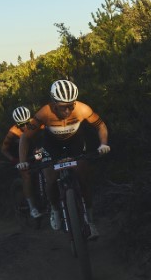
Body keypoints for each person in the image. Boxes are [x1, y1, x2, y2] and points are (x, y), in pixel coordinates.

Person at [17, 79, 110, 239]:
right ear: (53, 103)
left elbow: (100, 125)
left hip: (75, 141)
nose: (67, 110)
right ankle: (55, 209)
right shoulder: (44, 113)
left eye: (71, 105)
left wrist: (103, 144)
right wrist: (22, 160)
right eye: (62, 106)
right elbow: (25, 137)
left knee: (83, 178)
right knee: (50, 179)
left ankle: (90, 220)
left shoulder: (82, 109)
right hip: (51, 144)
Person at [1, 106, 43, 219]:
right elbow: (4, 149)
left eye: (27, 123)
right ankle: (32, 208)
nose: (24, 127)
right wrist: (14, 160)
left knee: (45, 166)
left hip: (35, 152)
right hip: (20, 157)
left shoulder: (36, 124)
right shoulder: (13, 132)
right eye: (21, 125)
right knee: (26, 176)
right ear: (16, 124)